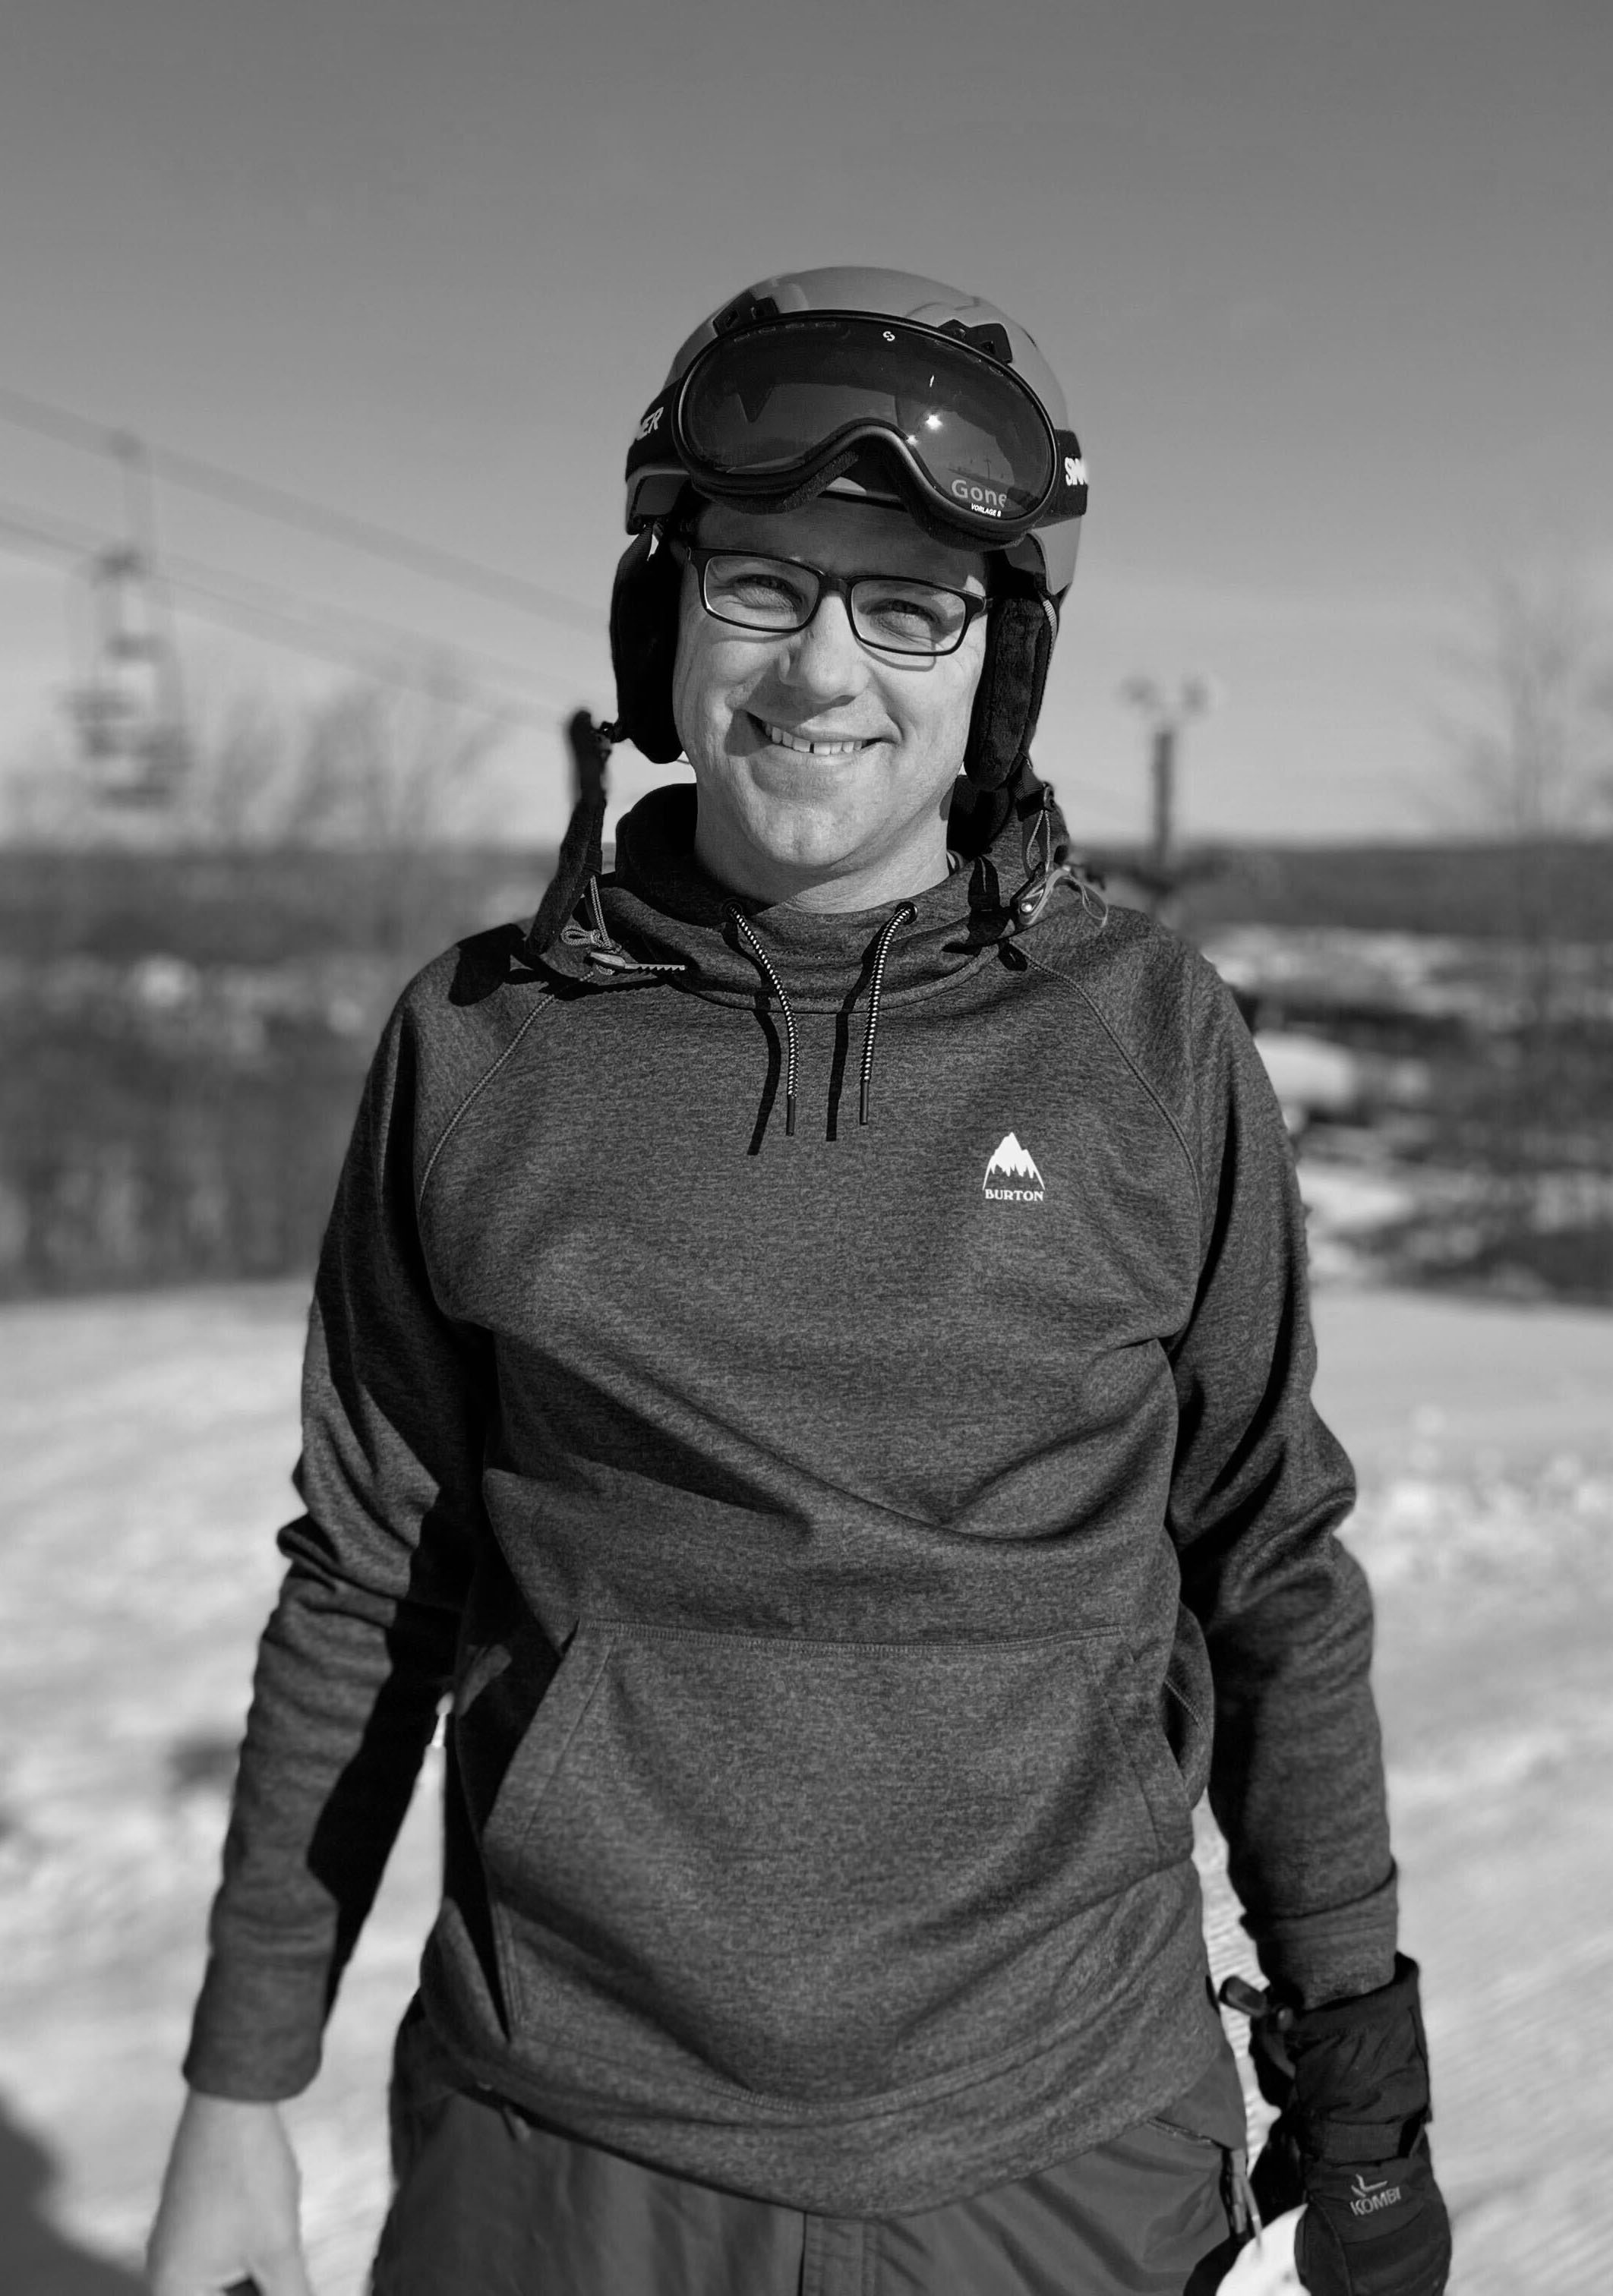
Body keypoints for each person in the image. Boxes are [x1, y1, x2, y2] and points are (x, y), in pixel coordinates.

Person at [147, 268, 1451, 2296]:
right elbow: (368, 1577)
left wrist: (1359, 2081)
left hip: (1054, 2144)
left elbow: (1263, 1554)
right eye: (760, 584)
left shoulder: (1146, 1039)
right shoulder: (482, 1047)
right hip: (557, 2145)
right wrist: (240, 2088)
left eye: (908, 607)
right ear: (662, 622)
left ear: (994, 667)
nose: (823, 665)